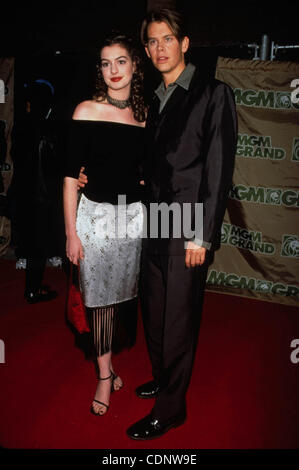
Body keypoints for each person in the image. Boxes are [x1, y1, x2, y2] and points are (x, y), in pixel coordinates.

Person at [125, 8, 238, 439]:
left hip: (189, 226)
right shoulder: (155, 98)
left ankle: (171, 408)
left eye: (166, 39)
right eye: (151, 42)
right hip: (154, 222)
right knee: (153, 313)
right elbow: (151, 167)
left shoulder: (213, 93)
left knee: (177, 320)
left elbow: (217, 169)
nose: (158, 49)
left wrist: (202, 236)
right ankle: (163, 378)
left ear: (185, 42)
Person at [63, 33, 146, 416]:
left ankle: (108, 364)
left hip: (132, 222)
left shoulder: (146, 115)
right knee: (97, 302)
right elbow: (69, 178)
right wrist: (71, 233)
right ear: (99, 69)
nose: (113, 70)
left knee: (118, 299)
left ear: (135, 65)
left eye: (121, 61)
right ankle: (102, 375)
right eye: (105, 63)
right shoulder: (86, 111)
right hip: (93, 219)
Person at [9, 79, 64, 303]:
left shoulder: (20, 128)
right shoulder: (50, 129)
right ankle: (33, 289)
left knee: (32, 245)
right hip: (43, 198)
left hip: (23, 196)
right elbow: (56, 166)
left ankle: (33, 287)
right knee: (41, 246)